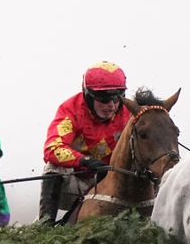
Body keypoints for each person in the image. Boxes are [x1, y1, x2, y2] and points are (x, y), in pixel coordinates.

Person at [37, 61, 131, 224]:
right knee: (52, 166)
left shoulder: (128, 113)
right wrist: (85, 161)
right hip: (77, 185)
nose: (111, 105)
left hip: (110, 185)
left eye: (117, 97)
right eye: (104, 99)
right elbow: (52, 148)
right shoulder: (70, 110)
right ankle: (45, 224)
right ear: (88, 95)